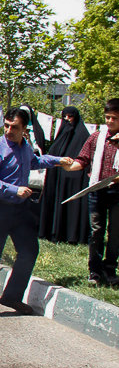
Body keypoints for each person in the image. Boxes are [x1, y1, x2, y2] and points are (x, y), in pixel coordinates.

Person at [0, 108, 78, 320]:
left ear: (25, 129)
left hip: (20, 209)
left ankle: (12, 296)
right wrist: (15, 189)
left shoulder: (25, 147)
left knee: (29, 251)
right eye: (6, 125)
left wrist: (58, 160)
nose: (8, 130)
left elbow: (34, 162)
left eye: (14, 127)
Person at [69, 99, 119, 286]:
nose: (109, 121)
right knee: (96, 230)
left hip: (117, 192)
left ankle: (110, 268)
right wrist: (67, 165)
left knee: (115, 232)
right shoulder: (97, 137)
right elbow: (82, 159)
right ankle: (95, 271)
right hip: (97, 190)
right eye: (107, 117)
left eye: (114, 118)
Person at [39, 106, 90, 244]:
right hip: (56, 178)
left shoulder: (83, 136)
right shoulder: (61, 135)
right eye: (64, 117)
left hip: (73, 180)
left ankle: (70, 235)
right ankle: (50, 231)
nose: (67, 120)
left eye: (70, 117)